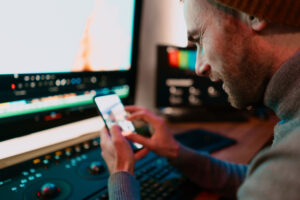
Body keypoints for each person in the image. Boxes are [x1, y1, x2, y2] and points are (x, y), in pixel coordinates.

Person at [99, 0, 300, 199]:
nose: (199, 67)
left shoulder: (291, 159)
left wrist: (121, 174)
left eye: (200, 39)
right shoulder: (285, 157)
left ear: (256, 15)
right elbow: (257, 182)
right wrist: (175, 151)